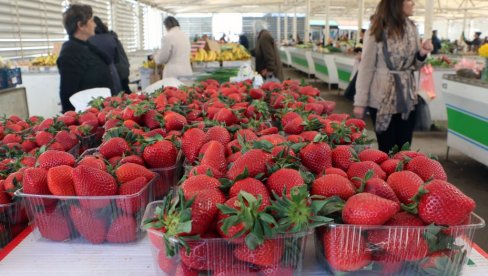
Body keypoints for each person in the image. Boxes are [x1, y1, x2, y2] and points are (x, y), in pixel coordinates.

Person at [353, 0, 433, 153]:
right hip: (382, 98)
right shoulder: (377, 28)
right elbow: (366, 67)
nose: (413, 3)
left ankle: (402, 176)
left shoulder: (412, 29)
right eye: (409, 0)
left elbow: (414, 66)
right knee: (387, 148)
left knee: (405, 148)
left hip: (407, 97)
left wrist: (422, 53)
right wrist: (360, 102)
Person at [57, 4, 113, 113]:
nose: (95, 25)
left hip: (100, 112)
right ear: (81, 25)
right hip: (88, 117)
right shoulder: (69, 53)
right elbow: (67, 93)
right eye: (91, 21)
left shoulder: (87, 46)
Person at [89, 16, 122, 94]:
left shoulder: (88, 41)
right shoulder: (111, 38)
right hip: (113, 74)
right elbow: (117, 59)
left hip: (96, 78)